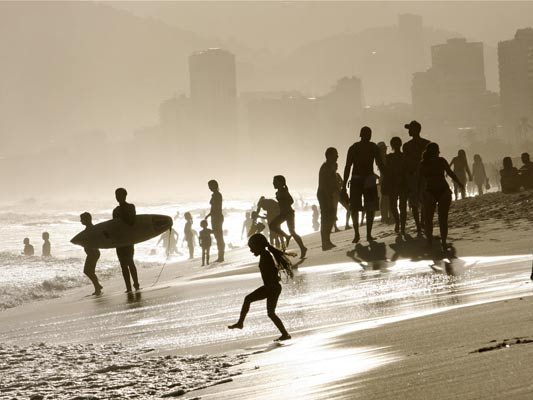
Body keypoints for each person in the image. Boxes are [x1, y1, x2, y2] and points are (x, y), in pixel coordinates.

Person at [228, 233, 291, 341]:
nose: (251, 251)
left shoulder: (266, 256)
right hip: (271, 287)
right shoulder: (265, 255)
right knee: (269, 312)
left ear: (259, 246)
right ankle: (285, 334)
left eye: (252, 248)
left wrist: (274, 279)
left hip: (271, 288)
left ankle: (240, 323)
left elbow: (271, 271)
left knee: (263, 308)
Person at [342, 126, 385, 243]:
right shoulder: (371, 147)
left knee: (359, 208)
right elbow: (380, 165)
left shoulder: (356, 147)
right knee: (364, 207)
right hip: (364, 179)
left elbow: (347, 167)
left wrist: (344, 185)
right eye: (367, 134)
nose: (368, 136)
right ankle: (364, 234)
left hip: (360, 179)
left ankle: (360, 234)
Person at [419, 143, 464, 251]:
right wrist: (459, 183)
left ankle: (429, 242)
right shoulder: (441, 161)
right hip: (443, 191)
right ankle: (443, 242)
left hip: (430, 192)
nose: (439, 152)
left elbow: (420, 181)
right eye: (438, 150)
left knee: (428, 219)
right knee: (443, 219)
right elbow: (450, 173)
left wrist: (418, 194)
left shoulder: (424, 163)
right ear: (436, 151)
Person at [269, 175, 308, 258]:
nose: (273, 183)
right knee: (272, 225)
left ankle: (303, 248)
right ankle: (286, 236)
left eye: (275, 182)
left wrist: (283, 201)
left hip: (289, 213)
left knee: (292, 231)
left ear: (280, 182)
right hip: (283, 214)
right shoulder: (279, 191)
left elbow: (291, 200)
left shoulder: (283, 191)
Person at [402, 120, 430, 235]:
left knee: (414, 202)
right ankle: (421, 223)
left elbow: (405, 163)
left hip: (413, 176)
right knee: (423, 200)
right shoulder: (427, 143)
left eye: (410, 129)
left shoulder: (407, 146)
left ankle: (419, 225)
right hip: (422, 176)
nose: (408, 131)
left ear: (415, 130)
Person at [112, 187, 139, 293]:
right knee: (123, 265)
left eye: (119, 195)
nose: (117, 197)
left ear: (125, 195)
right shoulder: (115, 211)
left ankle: (136, 284)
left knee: (130, 262)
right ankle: (128, 287)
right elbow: (113, 226)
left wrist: (122, 215)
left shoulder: (131, 207)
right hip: (119, 241)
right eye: (116, 195)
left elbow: (132, 222)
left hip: (128, 239)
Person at [383, 137, 407, 235]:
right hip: (393, 183)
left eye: (397, 143)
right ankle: (398, 222)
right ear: (392, 145)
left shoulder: (404, 156)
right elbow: (386, 170)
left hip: (401, 183)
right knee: (394, 206)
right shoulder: (389, 157)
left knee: (401, 206)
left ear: (400, 144)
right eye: (394, 144)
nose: (396, 145)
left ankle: (402, 226)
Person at [317, 147, 338, 250]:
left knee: (330, 217)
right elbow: (324, 185)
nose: (337, 156)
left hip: (328, 194)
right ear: (329, 156)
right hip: (324, 194)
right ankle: (325, 242)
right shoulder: (326, 167)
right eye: (335, 154)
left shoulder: (330, 166)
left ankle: (327, 241)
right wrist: (328, 198)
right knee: (326, 218)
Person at [80, 212, 103, 295]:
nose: (80, 221)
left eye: (82, 219)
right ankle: (98, 286)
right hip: (92, 253)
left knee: (87, 271)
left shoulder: (91, 229)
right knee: (89, 271)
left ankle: (97, 287)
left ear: (87, 219)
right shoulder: (89, 229)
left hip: (93, 253)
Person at [205, 180, 225, 263]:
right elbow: (214, 208)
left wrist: (210, 215)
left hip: (217, 218)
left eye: (210, 186)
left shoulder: (217, 195)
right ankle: (220, 256)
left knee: (219, 237)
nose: (209, 188)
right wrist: (209, 215)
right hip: (215, 217)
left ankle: (221, 256)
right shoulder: (215, 195)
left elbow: (216, 208)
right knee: (218, 237)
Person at [377, 141, 391, 225]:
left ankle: (386, 216)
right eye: (383, 148)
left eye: (385, 148)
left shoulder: (383, 157)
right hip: (384, 179)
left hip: (385, 179)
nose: (385, 149)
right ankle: (385, 216)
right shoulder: (381, 158)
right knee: (385, 199)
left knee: (387, 198)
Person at [335, 166, 351, 231]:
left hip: (339, 195)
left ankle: (346, 225)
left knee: (348, 209)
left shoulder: (337, 175)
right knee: (334, 211)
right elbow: (342, 183)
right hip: (335, 195)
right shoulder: (332, 175)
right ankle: (336, 227)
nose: (336, 168)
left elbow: (342, 183)